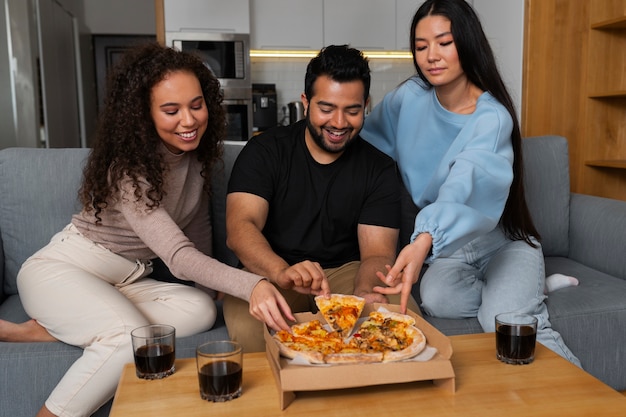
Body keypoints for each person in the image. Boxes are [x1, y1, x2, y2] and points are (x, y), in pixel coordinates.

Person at [0, 43, 295, 417]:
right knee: (127, 341)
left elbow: (196, 226)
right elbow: (178, 256)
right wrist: (253, 283)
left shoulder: (195, 156)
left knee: (202, 310)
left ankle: (59, 328)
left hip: (127, 281)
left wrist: (212, 289)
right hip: (62, 271)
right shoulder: (129, 169)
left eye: (196, 104)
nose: (188, 121)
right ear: (144, 115)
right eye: (171, 110)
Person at [360, 0, 581, 366]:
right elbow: (366, 140)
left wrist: (422, 240)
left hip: (501, 243)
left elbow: (463, 183)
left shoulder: (492, 117)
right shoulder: (408, 98)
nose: (432, 55)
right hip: (450, 251)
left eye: (444, 42)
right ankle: (527, 291)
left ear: (467, 42)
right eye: (421, 46)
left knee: (507, 322)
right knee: (437, 298)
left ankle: (586, 400)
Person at [223, 45, 420, 352]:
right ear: (306, 103)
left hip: (346, 272)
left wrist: (366, 292)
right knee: (251, 333)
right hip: (271, 269)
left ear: (366, 105)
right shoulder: (264, 151)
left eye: (352, 110)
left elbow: (377, 254)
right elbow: (239, 229)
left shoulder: (379, 168)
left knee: (400, 320)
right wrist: (280, 271)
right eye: (326, 109)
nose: (339, 123)